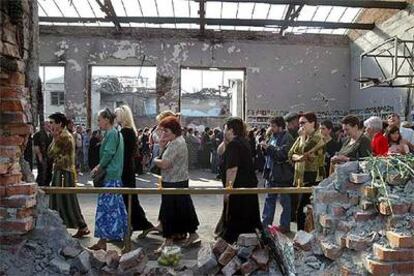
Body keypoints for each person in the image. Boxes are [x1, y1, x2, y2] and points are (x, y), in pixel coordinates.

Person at [154, 116, 200, 253]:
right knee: (183, 209)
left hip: (173, 181)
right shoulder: (175, 141)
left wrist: (155, 160)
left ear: (173, 131)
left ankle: (168, 241)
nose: (163, 134)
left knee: (169, 212)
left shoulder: (176, 143)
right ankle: (192, 234)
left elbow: (165, 163)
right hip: (177, 180)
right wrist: (162, 146)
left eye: (166, 131)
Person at [216, 117, 262, 243]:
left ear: (231, 129)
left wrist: (227, 190)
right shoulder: (242, 141)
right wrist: (225, 141)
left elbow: (232, 170)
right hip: (248, 186)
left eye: (225, 128)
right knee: (247, 216)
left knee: (237, 216)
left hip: (239, 187)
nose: (223, 131)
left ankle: (234, 242)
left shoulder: (235, 145)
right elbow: (219, 152)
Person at [89, 108, 128, 250]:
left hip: (109, 176)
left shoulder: (111, 134)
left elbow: (108, 154)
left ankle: (105, 241)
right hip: (114, 176)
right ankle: (109, 240)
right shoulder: (116, 133)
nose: (98, 123)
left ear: (106, 119)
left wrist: (97, 167)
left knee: (106, 210)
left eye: (99, 120)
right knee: (117, 209)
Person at [47, 112, 89, 238]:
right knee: (60, 199)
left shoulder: (64, 136)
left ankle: (80, 226)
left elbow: (50, 153)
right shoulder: (62, 135)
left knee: (66, 200)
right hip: (62, 171)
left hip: (64, 172)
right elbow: (50, 153)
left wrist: (54, 138)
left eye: (52, 122)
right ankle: (62, 226)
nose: (51, 125)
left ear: (59, 123)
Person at [115, 105, 155, 237]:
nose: (115, 118)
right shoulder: (128, 131)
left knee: (128, 199)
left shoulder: (125, 132)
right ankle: (136, 225)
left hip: (125, 169)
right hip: (127, 168)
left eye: (117, 115)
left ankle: (140, 225)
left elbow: (123, 154)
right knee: (129, 199)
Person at [289, 112, 325, 231]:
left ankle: (303, 237)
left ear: (312, 123)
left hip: (313, 179)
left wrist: (302, 138)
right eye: (299, 123)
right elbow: (290, 154)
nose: (300, 126)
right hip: (301, 178)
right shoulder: (303, 137)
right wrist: (298, 157)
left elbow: (305, 150)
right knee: (300, 210)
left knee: (303, 211)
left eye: (303, 123)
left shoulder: (318, 137)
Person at [260, 117, 294, 233]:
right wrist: (264, 149)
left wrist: (268, 148)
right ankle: (266, 224)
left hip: (283, 175)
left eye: (273, 126)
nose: (271, 128)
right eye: (271, 126)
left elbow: (282, 154)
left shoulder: (287, 138)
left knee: (285, 201)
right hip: (271, 173)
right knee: (269, 199)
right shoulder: (272, 137)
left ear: (280, 126)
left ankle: (284, 225)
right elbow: (270, 153)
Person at [33, 121, 53, 186]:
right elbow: (36, 146)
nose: (49, 126)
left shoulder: (51, 134)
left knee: (49, 172)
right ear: (43, 126)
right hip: (42, 155)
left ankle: (47, 185)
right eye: (47, 125)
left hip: (50, 156)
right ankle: (40, 186)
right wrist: (39, 155)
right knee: (42, 172)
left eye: (49, 124)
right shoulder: (38, 134)